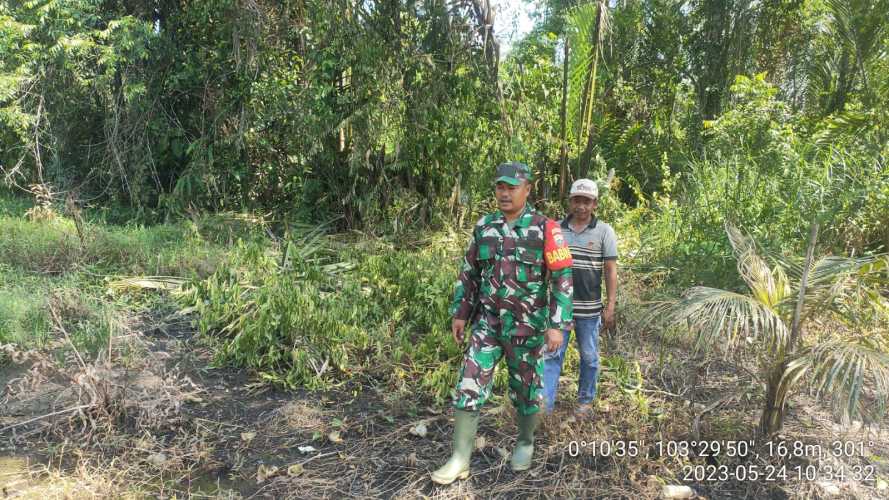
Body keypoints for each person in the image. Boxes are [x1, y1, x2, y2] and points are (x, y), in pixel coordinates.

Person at [431, 162, 574, 485]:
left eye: (511, 187)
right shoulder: (485, 226)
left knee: (526, 391)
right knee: (469, 382)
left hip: (528, 326)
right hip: (488, 324)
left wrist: (556, 324)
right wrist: (461, 313)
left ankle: (525, 443)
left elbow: (563, 278)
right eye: (500, 187)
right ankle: (460, 458)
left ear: (527, 189)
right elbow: (469, 273)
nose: (504, 193)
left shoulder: (546, 228)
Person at [542, 178, 618, 417]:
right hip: (559, 309)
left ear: (594, 204)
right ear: (570, 201)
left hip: (590, 309)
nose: (581, 206)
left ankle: (584, 402)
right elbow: (545, 268)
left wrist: (611, 306)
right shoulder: (555, 229)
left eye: (587, 201)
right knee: (552, 355)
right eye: (577, 200)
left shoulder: (604, 231)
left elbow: (610, 270)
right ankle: (545, 406)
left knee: (589, 356)